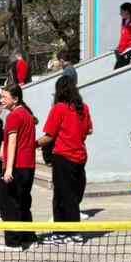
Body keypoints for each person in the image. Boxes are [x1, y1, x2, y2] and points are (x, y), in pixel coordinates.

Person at [37, 74, 92, 230]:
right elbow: (89, 130)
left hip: (63, 157)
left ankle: (68, 232)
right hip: (80, 156)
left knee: (62, 197)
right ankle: (65, 231)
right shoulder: (84, 108)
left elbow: (49, 137)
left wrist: (32, 144)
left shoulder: (59, 108)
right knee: (72, 195)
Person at [0, 85, 38, 250]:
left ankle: (13, 242)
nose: (1, 100)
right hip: (28, 166)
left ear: (15, 99)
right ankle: (29, 238)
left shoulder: (14, 116)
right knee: (23, 203)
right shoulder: (28, 115)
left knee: (10, 204)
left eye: (4, 97)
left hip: (17, 166)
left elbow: (12, 142)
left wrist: (8, 169)